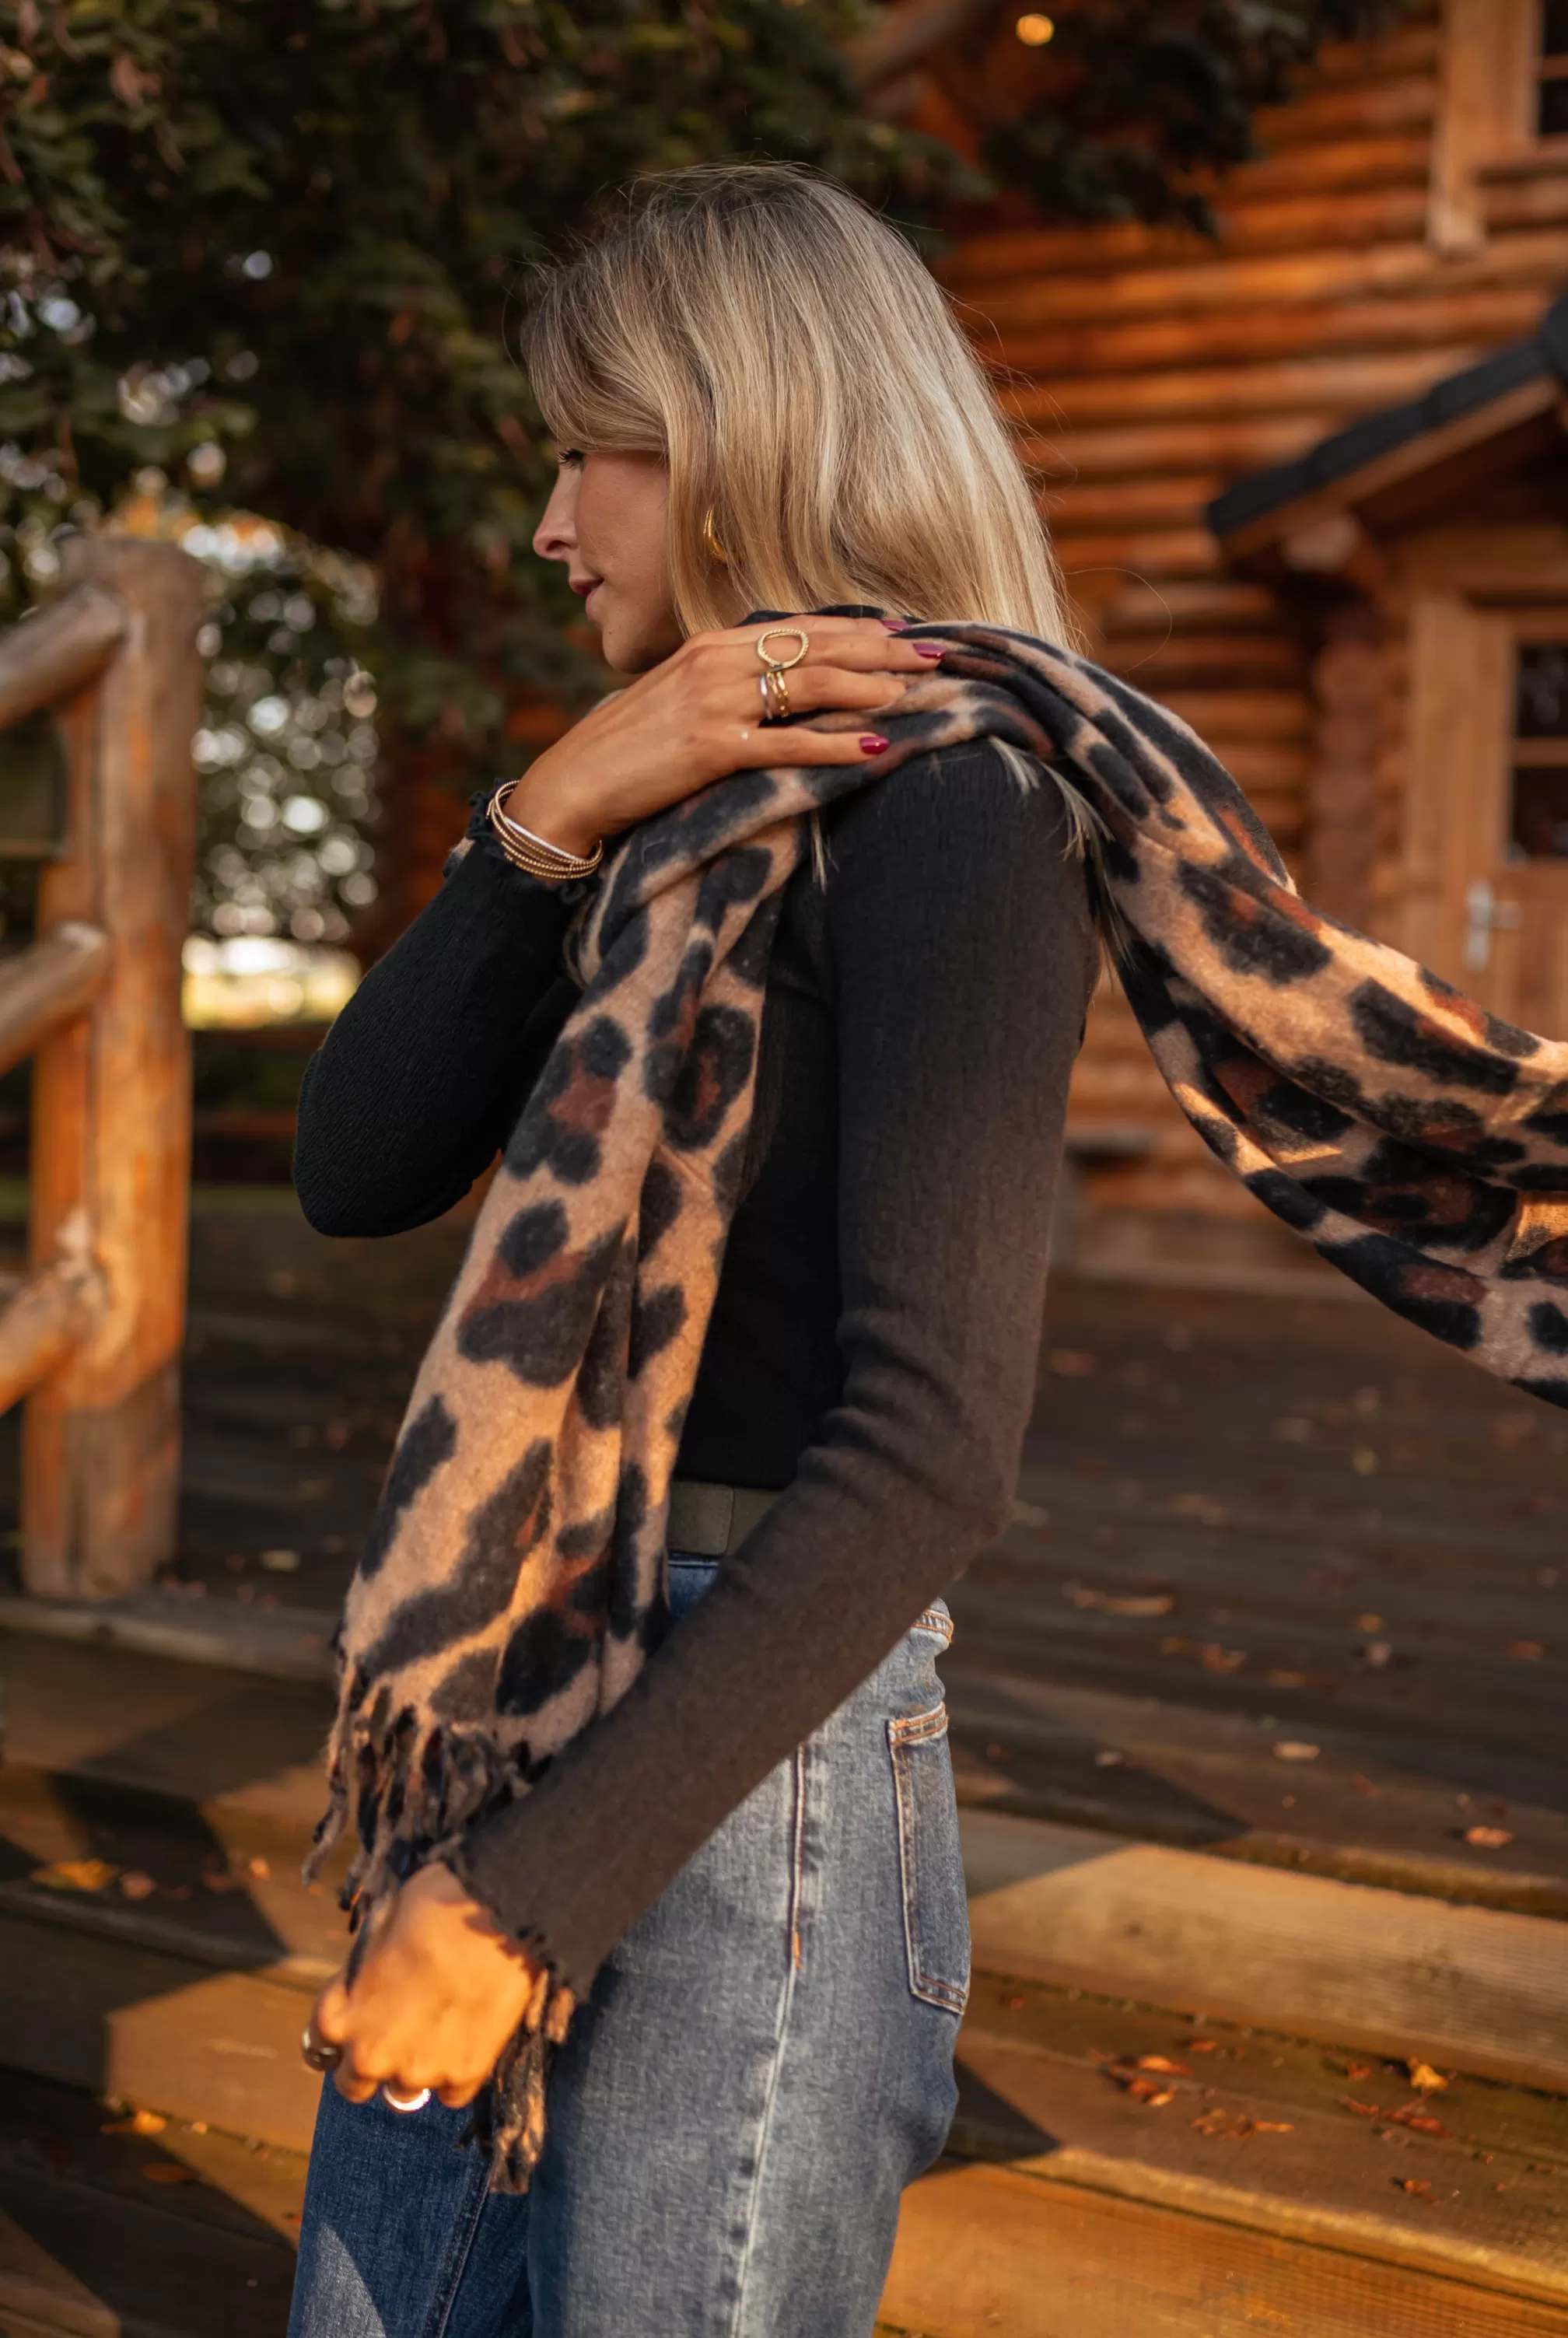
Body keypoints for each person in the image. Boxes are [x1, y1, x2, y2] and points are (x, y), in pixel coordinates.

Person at [287, 163, 1098, 2337]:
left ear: (756, 434)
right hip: (522, 1675)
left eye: (597, 452)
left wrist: (518, 1908)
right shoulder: (653, 811)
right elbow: (354, 1163)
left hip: (764, 1767)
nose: (554, 522)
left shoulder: (962, 806)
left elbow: (932, 1449)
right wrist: (557, 799)